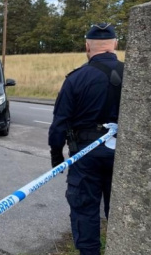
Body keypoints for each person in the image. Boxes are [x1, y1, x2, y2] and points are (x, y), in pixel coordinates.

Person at [48, 23, 124, 255]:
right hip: (124, 154)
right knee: (123, 208)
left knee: (85, 208)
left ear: (87, 47)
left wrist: (56, 156)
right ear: (115, 45)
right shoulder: (136, 75)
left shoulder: (76, 79)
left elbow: (59, 123)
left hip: (85, 154)